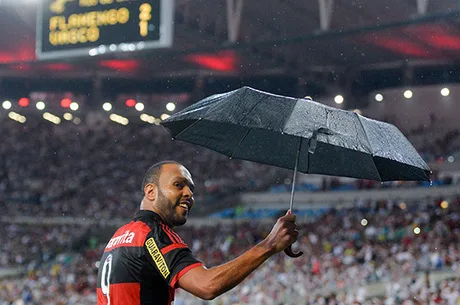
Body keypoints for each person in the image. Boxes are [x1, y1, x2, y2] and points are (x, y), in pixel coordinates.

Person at [97, 161, 299, 305]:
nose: (189, 194)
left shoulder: (120, 236)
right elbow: (207, 285)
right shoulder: (153, 234)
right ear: (151, 192)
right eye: (178, 185)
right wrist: (269, 245)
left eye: (191, 189)